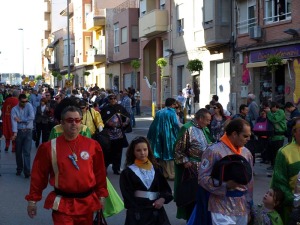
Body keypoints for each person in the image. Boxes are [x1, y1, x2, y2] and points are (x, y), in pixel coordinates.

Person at [25, 106, 108, 225]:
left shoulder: (93, 145)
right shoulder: (48, 147)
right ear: (62, 123)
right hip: (63, 204)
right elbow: (38, 176)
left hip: (87, 203)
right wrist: (32, 200)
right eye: (69, 120)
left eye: (77, 120)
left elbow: (100, 173)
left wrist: (101, 195)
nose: (74, 123)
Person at [199, 118, 253, 225]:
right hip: (220, 205)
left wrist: (249, 204)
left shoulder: (246, 153)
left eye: (249, 136)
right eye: (245, 136)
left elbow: (250, 182)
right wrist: (225, 185)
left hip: (242, 206)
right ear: (234, 134)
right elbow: (202, 178)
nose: (248, 139)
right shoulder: (213, 151)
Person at [120, 136, 173, 225]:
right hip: (138, 213)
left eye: (145, 149)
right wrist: (137, 209)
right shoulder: (127, 172)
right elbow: (127, 195)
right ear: (133, 152)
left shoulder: (156, 168)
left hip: (156, 211)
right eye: (138, 150)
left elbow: (165, 189)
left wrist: (162, 199)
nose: (142, 153)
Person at [174, 108, 214, 222]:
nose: (209, 122)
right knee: (192, 198)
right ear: (200, 118)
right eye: (207, 120)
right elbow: (178, 150)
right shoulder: (187, 128)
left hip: (205, 168)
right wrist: (186, 161)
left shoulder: (203, 128)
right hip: (192, 170)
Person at [271, 117, 300, 225]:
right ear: (294, 132)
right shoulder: (284, 153)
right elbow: (279, 183)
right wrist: (295, 201)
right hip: (292, 209)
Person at [147, 98, 180, 180]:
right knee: (170, 155)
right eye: (175, 104)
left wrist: (150, 136)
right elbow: (176, 125)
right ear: (172, 104)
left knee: (161, 154)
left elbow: (153, 125)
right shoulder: (172, 113)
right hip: (169, 137)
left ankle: (165, 173)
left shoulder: (159, 112)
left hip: (159, 137)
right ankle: (172, 174)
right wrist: (180, 135)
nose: (176, 105)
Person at [100, 93, 131, 175]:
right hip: (108, 135)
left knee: (118, 152)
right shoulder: (105, 109)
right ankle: (104, 168)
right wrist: (109, 124)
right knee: (107, 152)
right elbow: (101, 120)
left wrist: (125, 123)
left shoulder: (120, 108)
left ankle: (116, 168)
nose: (113, 100)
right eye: (111, 98)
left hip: (118, 134)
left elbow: (127, 117)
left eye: (114, 98)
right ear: (108, 100)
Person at [11, 94, 35, 178]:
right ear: (19, 100)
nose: (24, 103)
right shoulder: (14, 109)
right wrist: (15, 133)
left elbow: (31, 117)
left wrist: (21, 120)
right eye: (23, 101)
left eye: (26, 101)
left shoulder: (29, 106)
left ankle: (27, 171)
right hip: (19, 132)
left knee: (27, 152)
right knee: (18, 152)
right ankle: (19, 169)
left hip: (28, 131)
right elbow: (14, 121)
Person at [264, 102, 287, 173]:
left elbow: (274, 119)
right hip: (272, 136)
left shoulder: (281, 112)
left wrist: (268, 113)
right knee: (272, 152)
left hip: (279, 136)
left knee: (277, 153)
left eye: (271, 108)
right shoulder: (272, 113)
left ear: (275, 107)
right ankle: (273, 165)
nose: (270, 110)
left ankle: (277, 166)